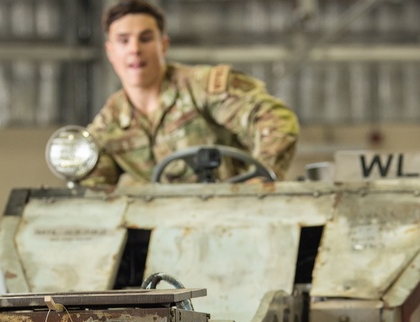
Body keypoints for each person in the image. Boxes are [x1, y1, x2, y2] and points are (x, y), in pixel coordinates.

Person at [81, 0, 300, 188]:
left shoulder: (202, 87)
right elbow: (95, 190)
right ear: (110, 51)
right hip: (159, 227)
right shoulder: (108, 125)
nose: (135, 49)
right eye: (123, 40)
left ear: (163, 45)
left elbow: (277, 119)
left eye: (145, 38)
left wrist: (262, 179)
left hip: (232, 217)